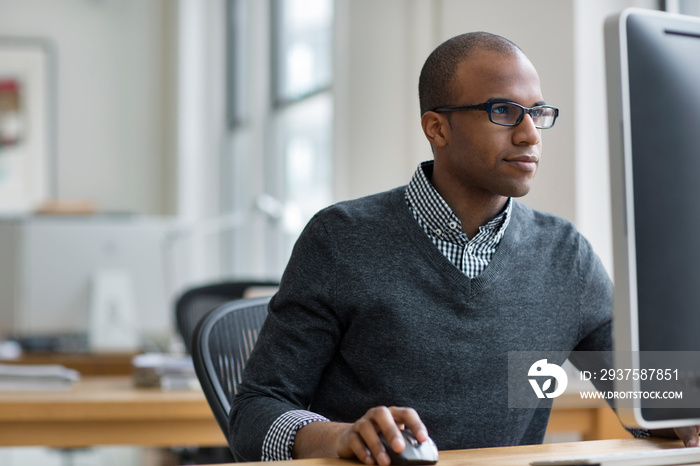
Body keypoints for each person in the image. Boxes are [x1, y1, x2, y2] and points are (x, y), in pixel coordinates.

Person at [230, 31, 700, 464]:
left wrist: (681, 413)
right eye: (503, 111)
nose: (530, 134)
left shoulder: (565, 255)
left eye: (536, 113)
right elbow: (255, 412)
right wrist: (340, 437)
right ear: (437, 129)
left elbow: (644, 389)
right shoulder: (341, 238)